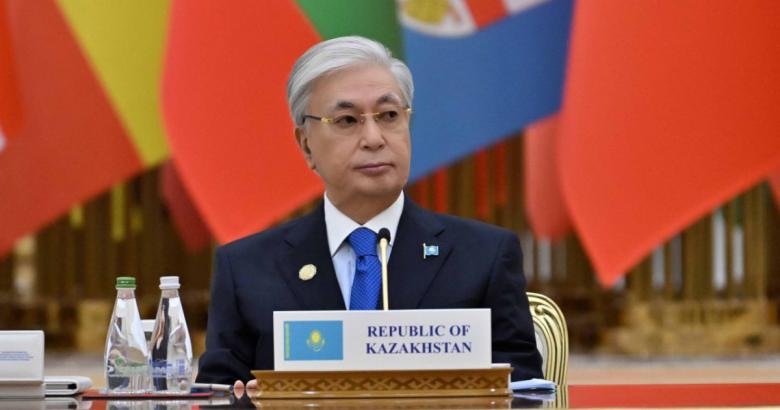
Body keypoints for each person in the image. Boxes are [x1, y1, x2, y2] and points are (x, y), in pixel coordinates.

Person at [196, 36, 543, 390]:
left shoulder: (483, 257)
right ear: (306, 144)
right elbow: (218, 394)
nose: (374, 138)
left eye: (389, 115)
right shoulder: (246, 270)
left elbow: (524, 392)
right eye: (347, 120)